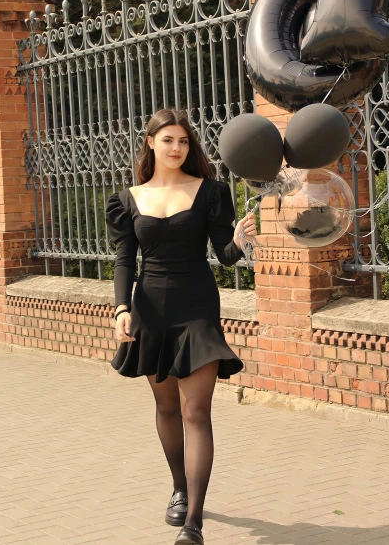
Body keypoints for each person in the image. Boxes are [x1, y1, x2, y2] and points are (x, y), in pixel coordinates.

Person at [105, 108, 257, 545]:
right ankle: (179, 486)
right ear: (150, 142)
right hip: (150, 306)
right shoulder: (127, 199)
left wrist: (240, 241)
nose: (177, 148)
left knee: (196, 411)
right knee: (168, 407)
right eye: (168, 140)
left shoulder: (211, 192)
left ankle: (193, 522)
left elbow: (224, 254)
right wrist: (120, 309)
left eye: (184, 141)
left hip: (197, 305)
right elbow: (124, 261)